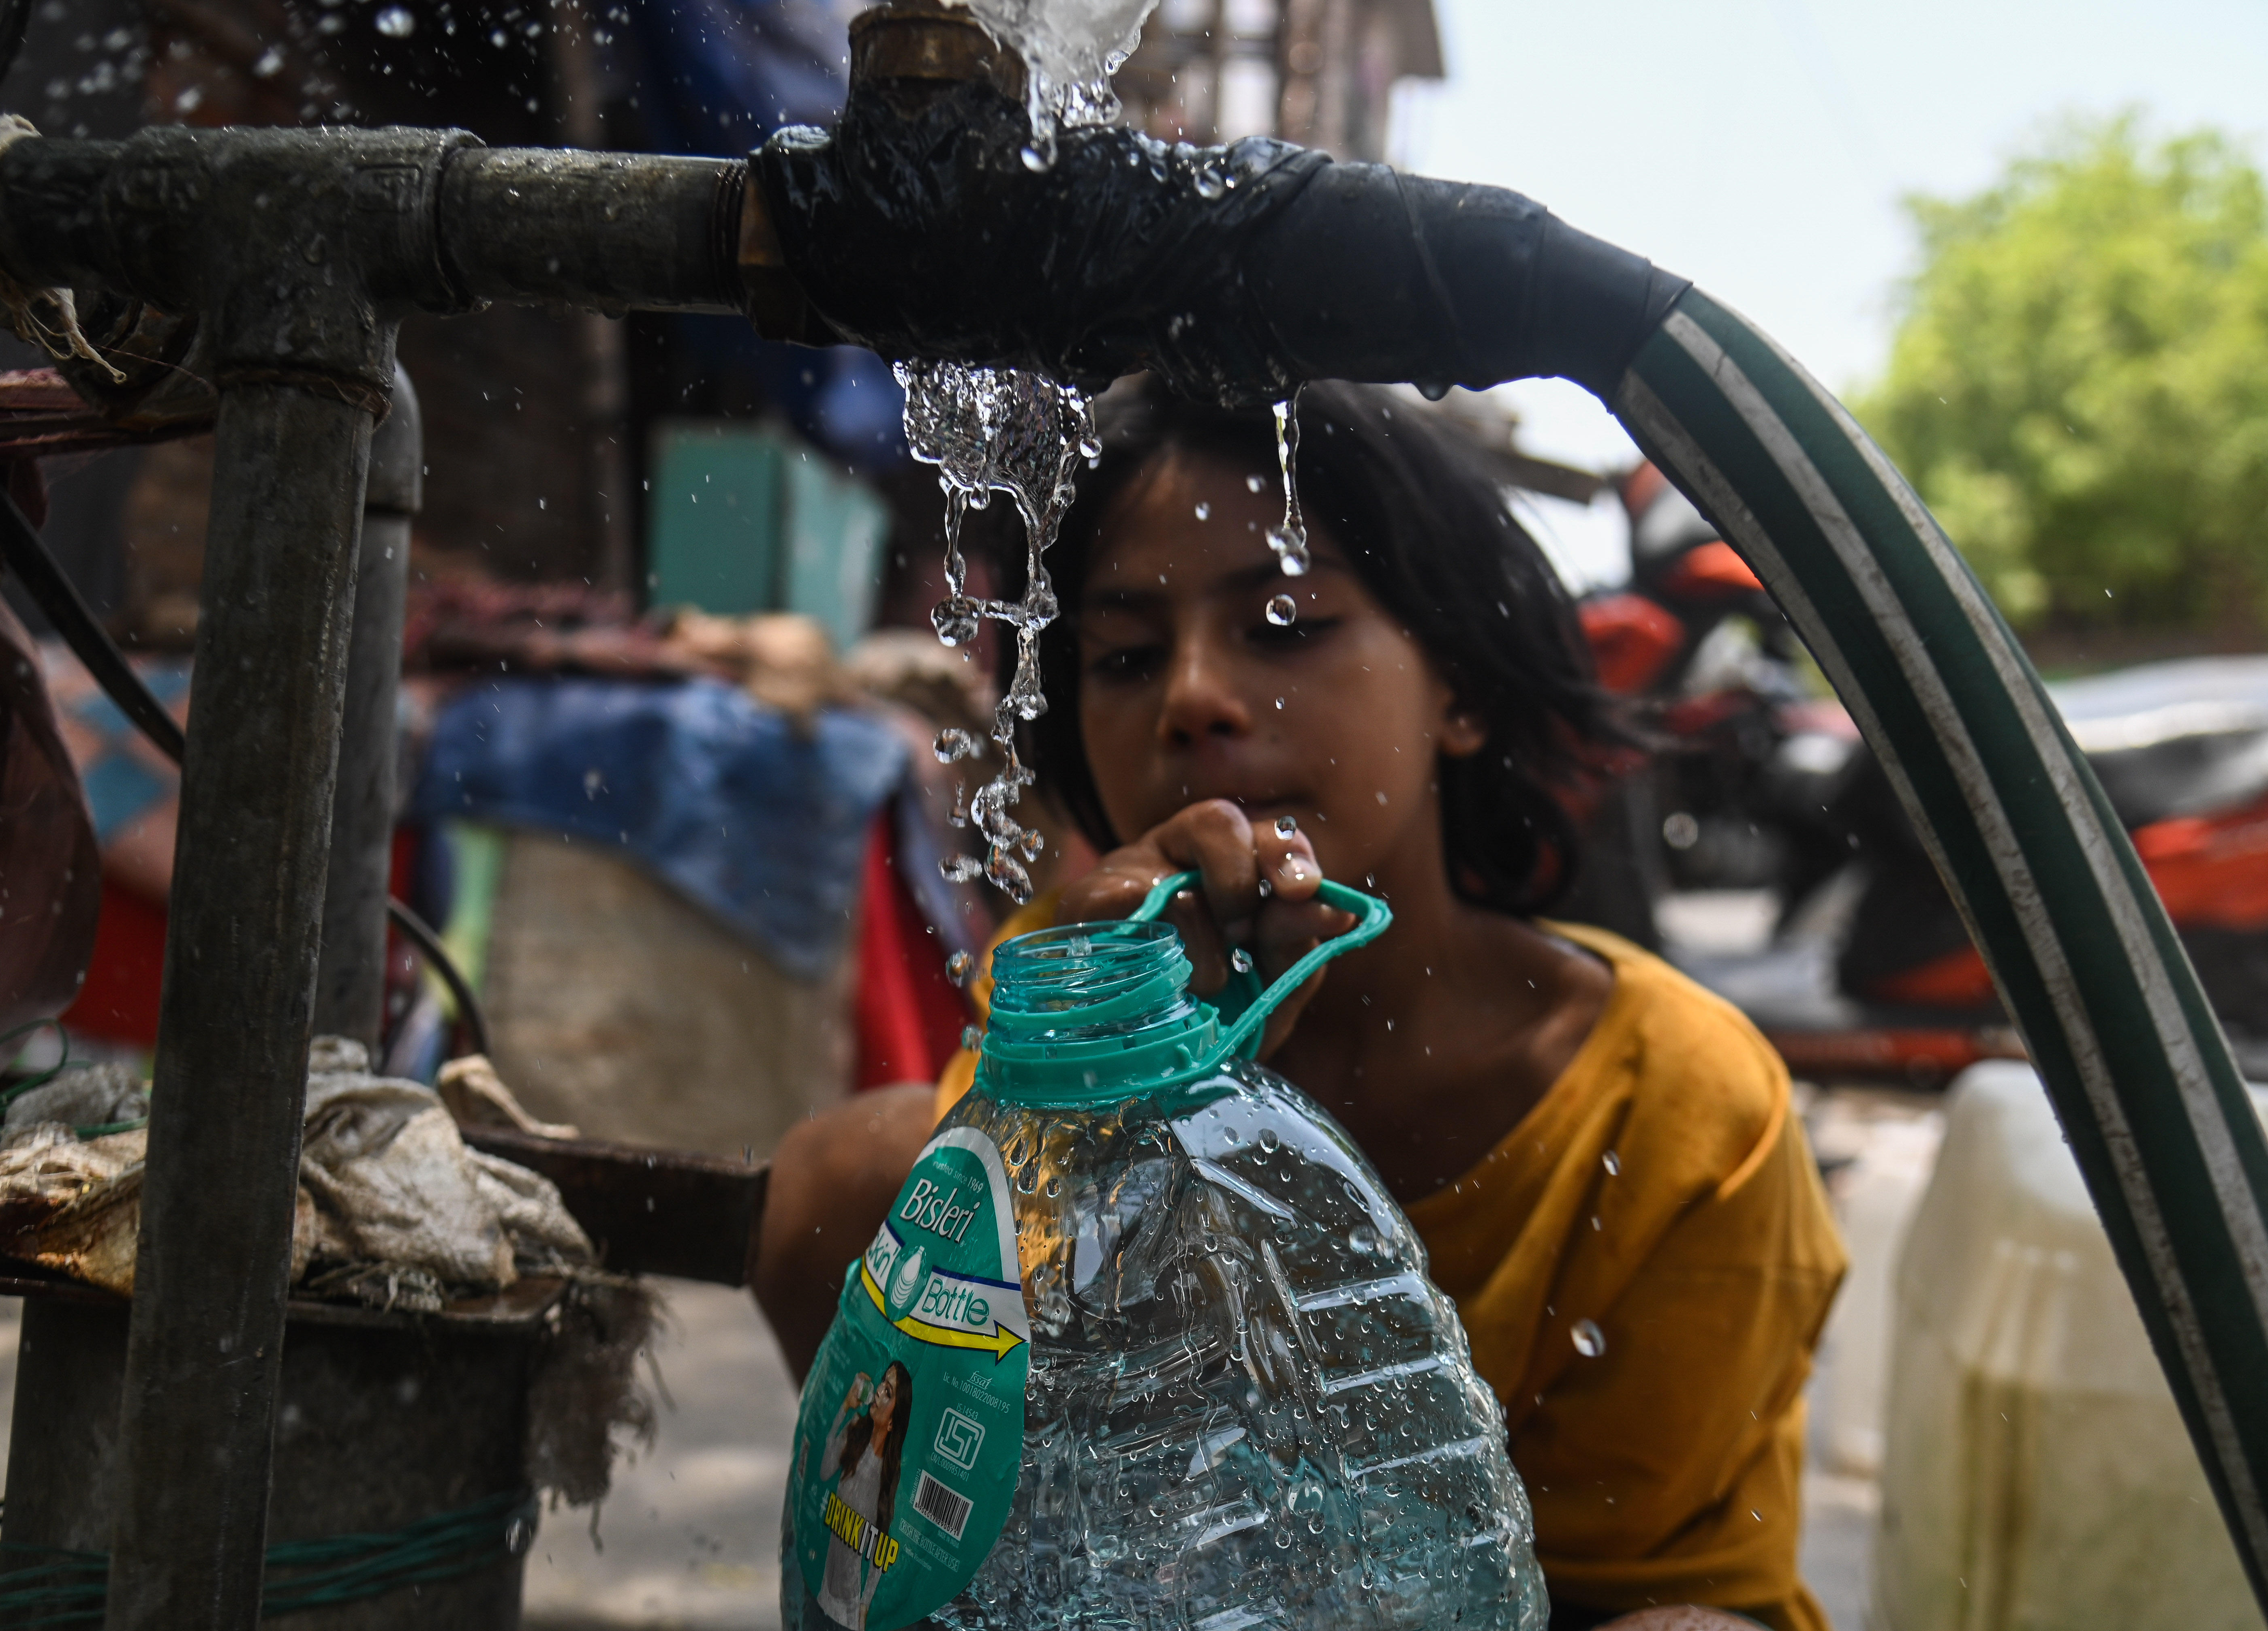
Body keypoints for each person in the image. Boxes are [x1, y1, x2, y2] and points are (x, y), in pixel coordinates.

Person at [757, 381, 1847, 1631]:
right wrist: (1131, 1092)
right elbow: (1017, 1425)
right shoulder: (1079, 973)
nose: (1192, 698)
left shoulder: (1670, 1104)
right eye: (1124, 656)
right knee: (854, 1170)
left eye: (1283, 624)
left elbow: (1662, 1598)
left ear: (1459, 688)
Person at [812, 1359, 913, 1630]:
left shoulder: (888, 1477)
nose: (879, 1391)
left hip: (848, 1609)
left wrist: (864, 1609)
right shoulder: (855, 1430)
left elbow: (880, 1546)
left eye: (889, 1392)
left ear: (893, 1422)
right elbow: (824, 1471)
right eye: (883, 1383)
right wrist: (845, 1407)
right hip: (823, 1590)